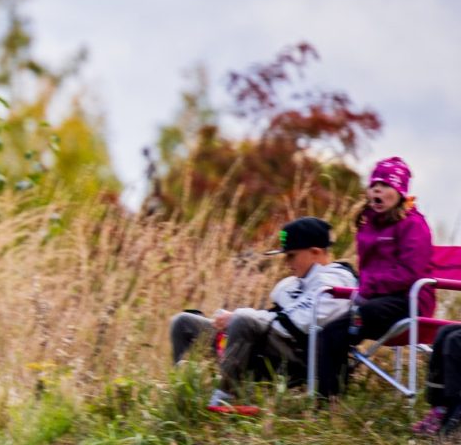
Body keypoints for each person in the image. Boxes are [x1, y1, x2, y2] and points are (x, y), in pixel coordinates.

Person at [169, 217, 357, 411]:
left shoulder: (336, 282)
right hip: (268, 344)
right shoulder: (294, 283)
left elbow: (297, 324)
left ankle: (223, 399)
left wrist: (238, 317)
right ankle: (183, 393)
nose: (287, 263)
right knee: (183, 322)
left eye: (291, 256)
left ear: (315, 252)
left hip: (300, 357)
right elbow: (275, 316)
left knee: (243, 320)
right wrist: (234, 320)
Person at [353, 155, 437, 345]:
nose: (377, 189)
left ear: (400, 192)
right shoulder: (368, 225)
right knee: (330, 328)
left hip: (410, 301)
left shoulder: (414, 224)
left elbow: (409, 272)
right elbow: (366, 268)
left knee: (361, 315)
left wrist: (368, 289)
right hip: (376, 299)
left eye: (385, 185)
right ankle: (315, 363)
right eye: (373, 185)